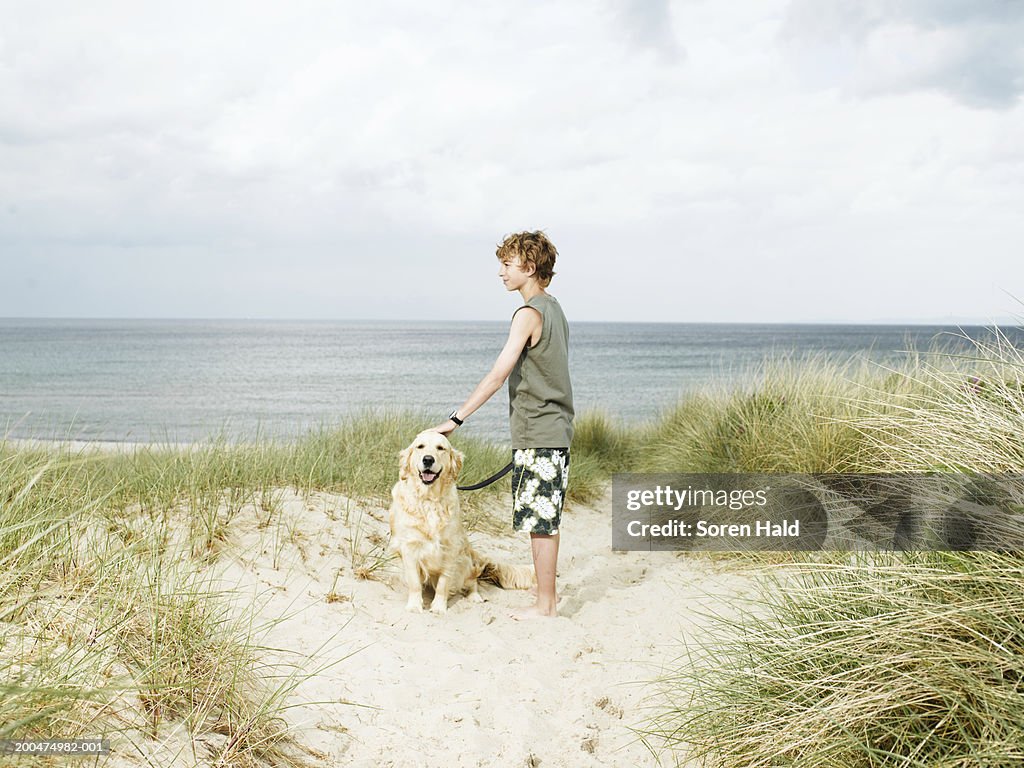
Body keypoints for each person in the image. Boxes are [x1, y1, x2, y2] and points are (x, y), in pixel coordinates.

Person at [431, 230, 574, 619]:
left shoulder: (528, 314)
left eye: (506, 264)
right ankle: (546, 598)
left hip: (539, 431)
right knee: (544, 520)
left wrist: (456, 418)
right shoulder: (554, 308)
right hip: (555, 428)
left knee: (541, 524)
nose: (500, 272)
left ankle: (545, 605)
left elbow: (498, 373)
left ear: (529, 267)